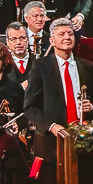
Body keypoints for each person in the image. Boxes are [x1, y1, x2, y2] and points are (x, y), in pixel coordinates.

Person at [24, 17, 93, 175]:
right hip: (51, 147)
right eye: (61, 34)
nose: (67, 37)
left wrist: (91, 106)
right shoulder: (41, 66)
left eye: (70, 33)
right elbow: (30, 107)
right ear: (52, 41)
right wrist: (52, 126)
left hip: (84, 145)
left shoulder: (88, 67)